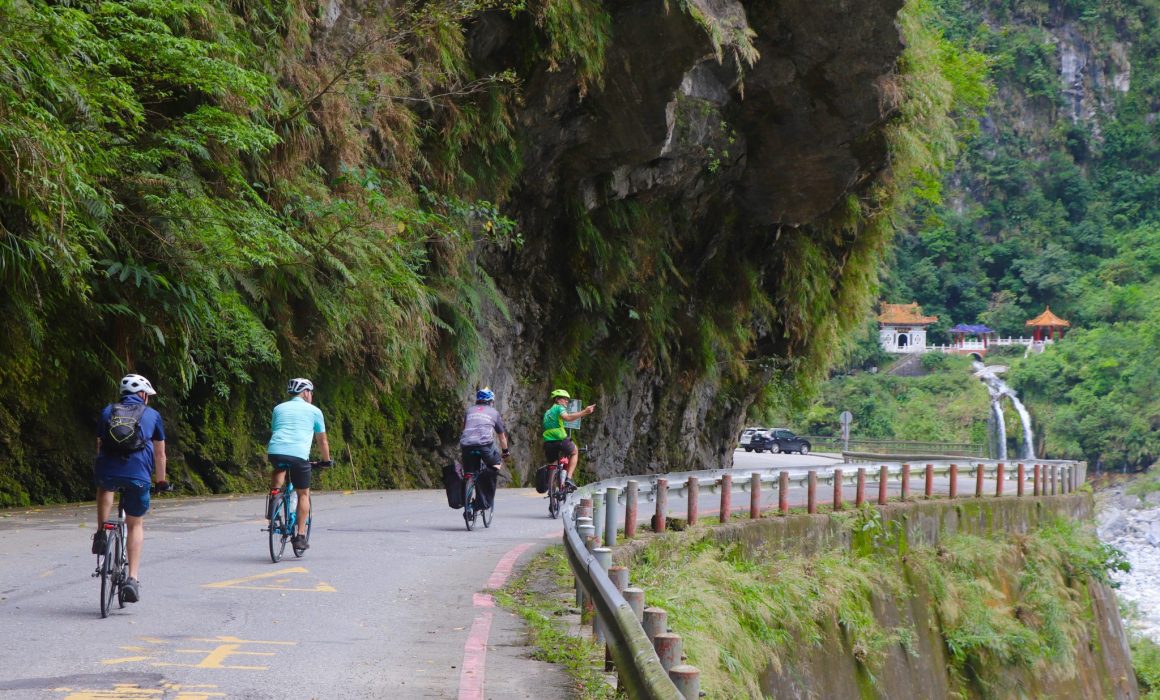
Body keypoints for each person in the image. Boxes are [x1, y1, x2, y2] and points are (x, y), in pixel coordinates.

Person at [92, 373, 169, 604]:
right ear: (143, 395)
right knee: (135, 524)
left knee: (105, 488)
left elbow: (99, 444)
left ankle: (101, 532)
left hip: (107, 470)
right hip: (138, 476)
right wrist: (161, 482)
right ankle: (132, 579)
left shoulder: (108, 411)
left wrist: (103, 469)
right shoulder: (153, 415)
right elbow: (160, 453)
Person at [267, 378, 331, 554]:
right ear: (305, 392)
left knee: (279, 466)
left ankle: (274, 499)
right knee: (303, 494)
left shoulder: (278, 408)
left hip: (275, 451)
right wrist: (326, 460)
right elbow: (322, 440)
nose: (311, 396)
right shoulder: (314, 411)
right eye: (310, 392)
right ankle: (300, 536)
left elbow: (276, 430)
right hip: (298, 456)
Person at [459, 387, 509, 511]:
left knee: (468, 472)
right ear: (491, 401)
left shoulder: (469, 411)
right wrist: (505, 451)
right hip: (484, 445)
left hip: (466, 445)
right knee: (496, 464)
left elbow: (463, 428)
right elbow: (501, 437)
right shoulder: (494, 413)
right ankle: (483, 500)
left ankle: (466, 502)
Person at [542, 389, 595, 488]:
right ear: (557, 400)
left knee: (553, 463)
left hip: (548, 442)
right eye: (565, 399)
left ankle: (551, 488)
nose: (567, 401)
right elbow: (567, 417)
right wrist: (585, 412)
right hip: (560, 439)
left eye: (567, 399)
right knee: (574, 451)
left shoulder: (547, 412)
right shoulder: (559, 408)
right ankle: (569, 479)